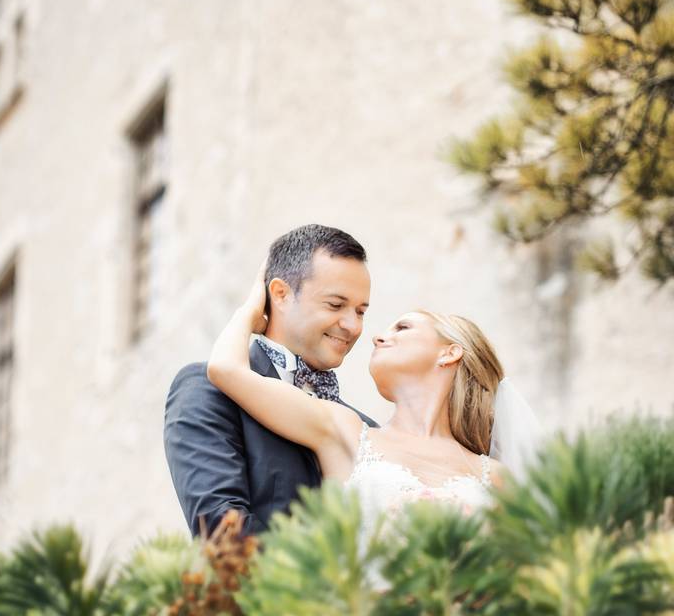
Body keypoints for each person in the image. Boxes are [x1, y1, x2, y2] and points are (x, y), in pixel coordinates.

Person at [207, 266, 510, 531]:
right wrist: (251, 311)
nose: (376, 336)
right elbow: (225, 368)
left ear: (450, 351)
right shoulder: (345, 430)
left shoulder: (496, 476)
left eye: (402, 327)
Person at [163, 224, 377, 536]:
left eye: (360, 311)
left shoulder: (368, 429)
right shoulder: (208, 388)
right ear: (280, 294)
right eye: (335, 305)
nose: (352, 325)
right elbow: (223, 534)